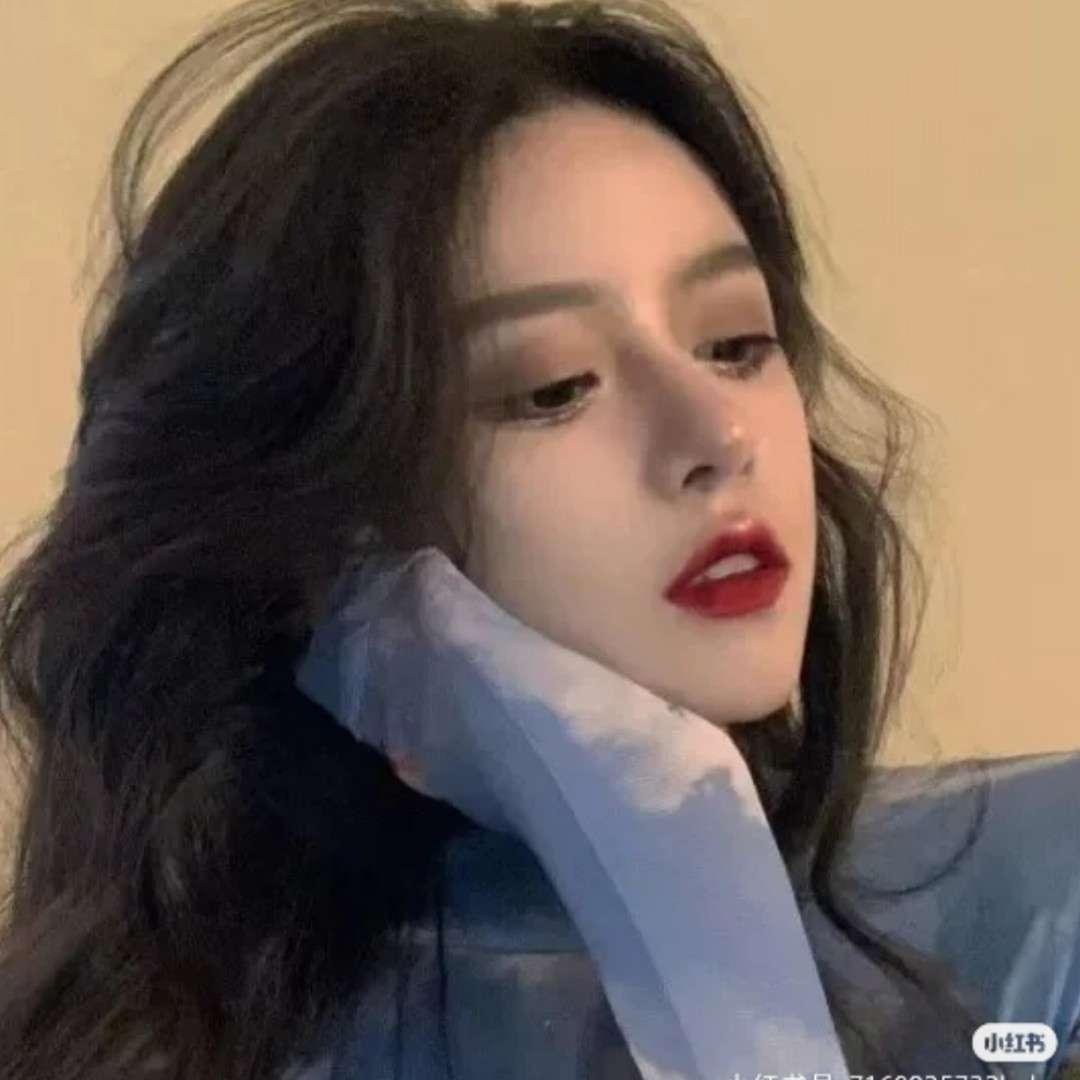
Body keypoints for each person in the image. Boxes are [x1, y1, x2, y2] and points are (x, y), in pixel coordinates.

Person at [0, 1, 1077, 1077]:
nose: (718, 436)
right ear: (330, 538)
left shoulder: (1041, 915)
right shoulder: (150, 1040)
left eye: (736, 343)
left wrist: (687, 886)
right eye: (552, 388)